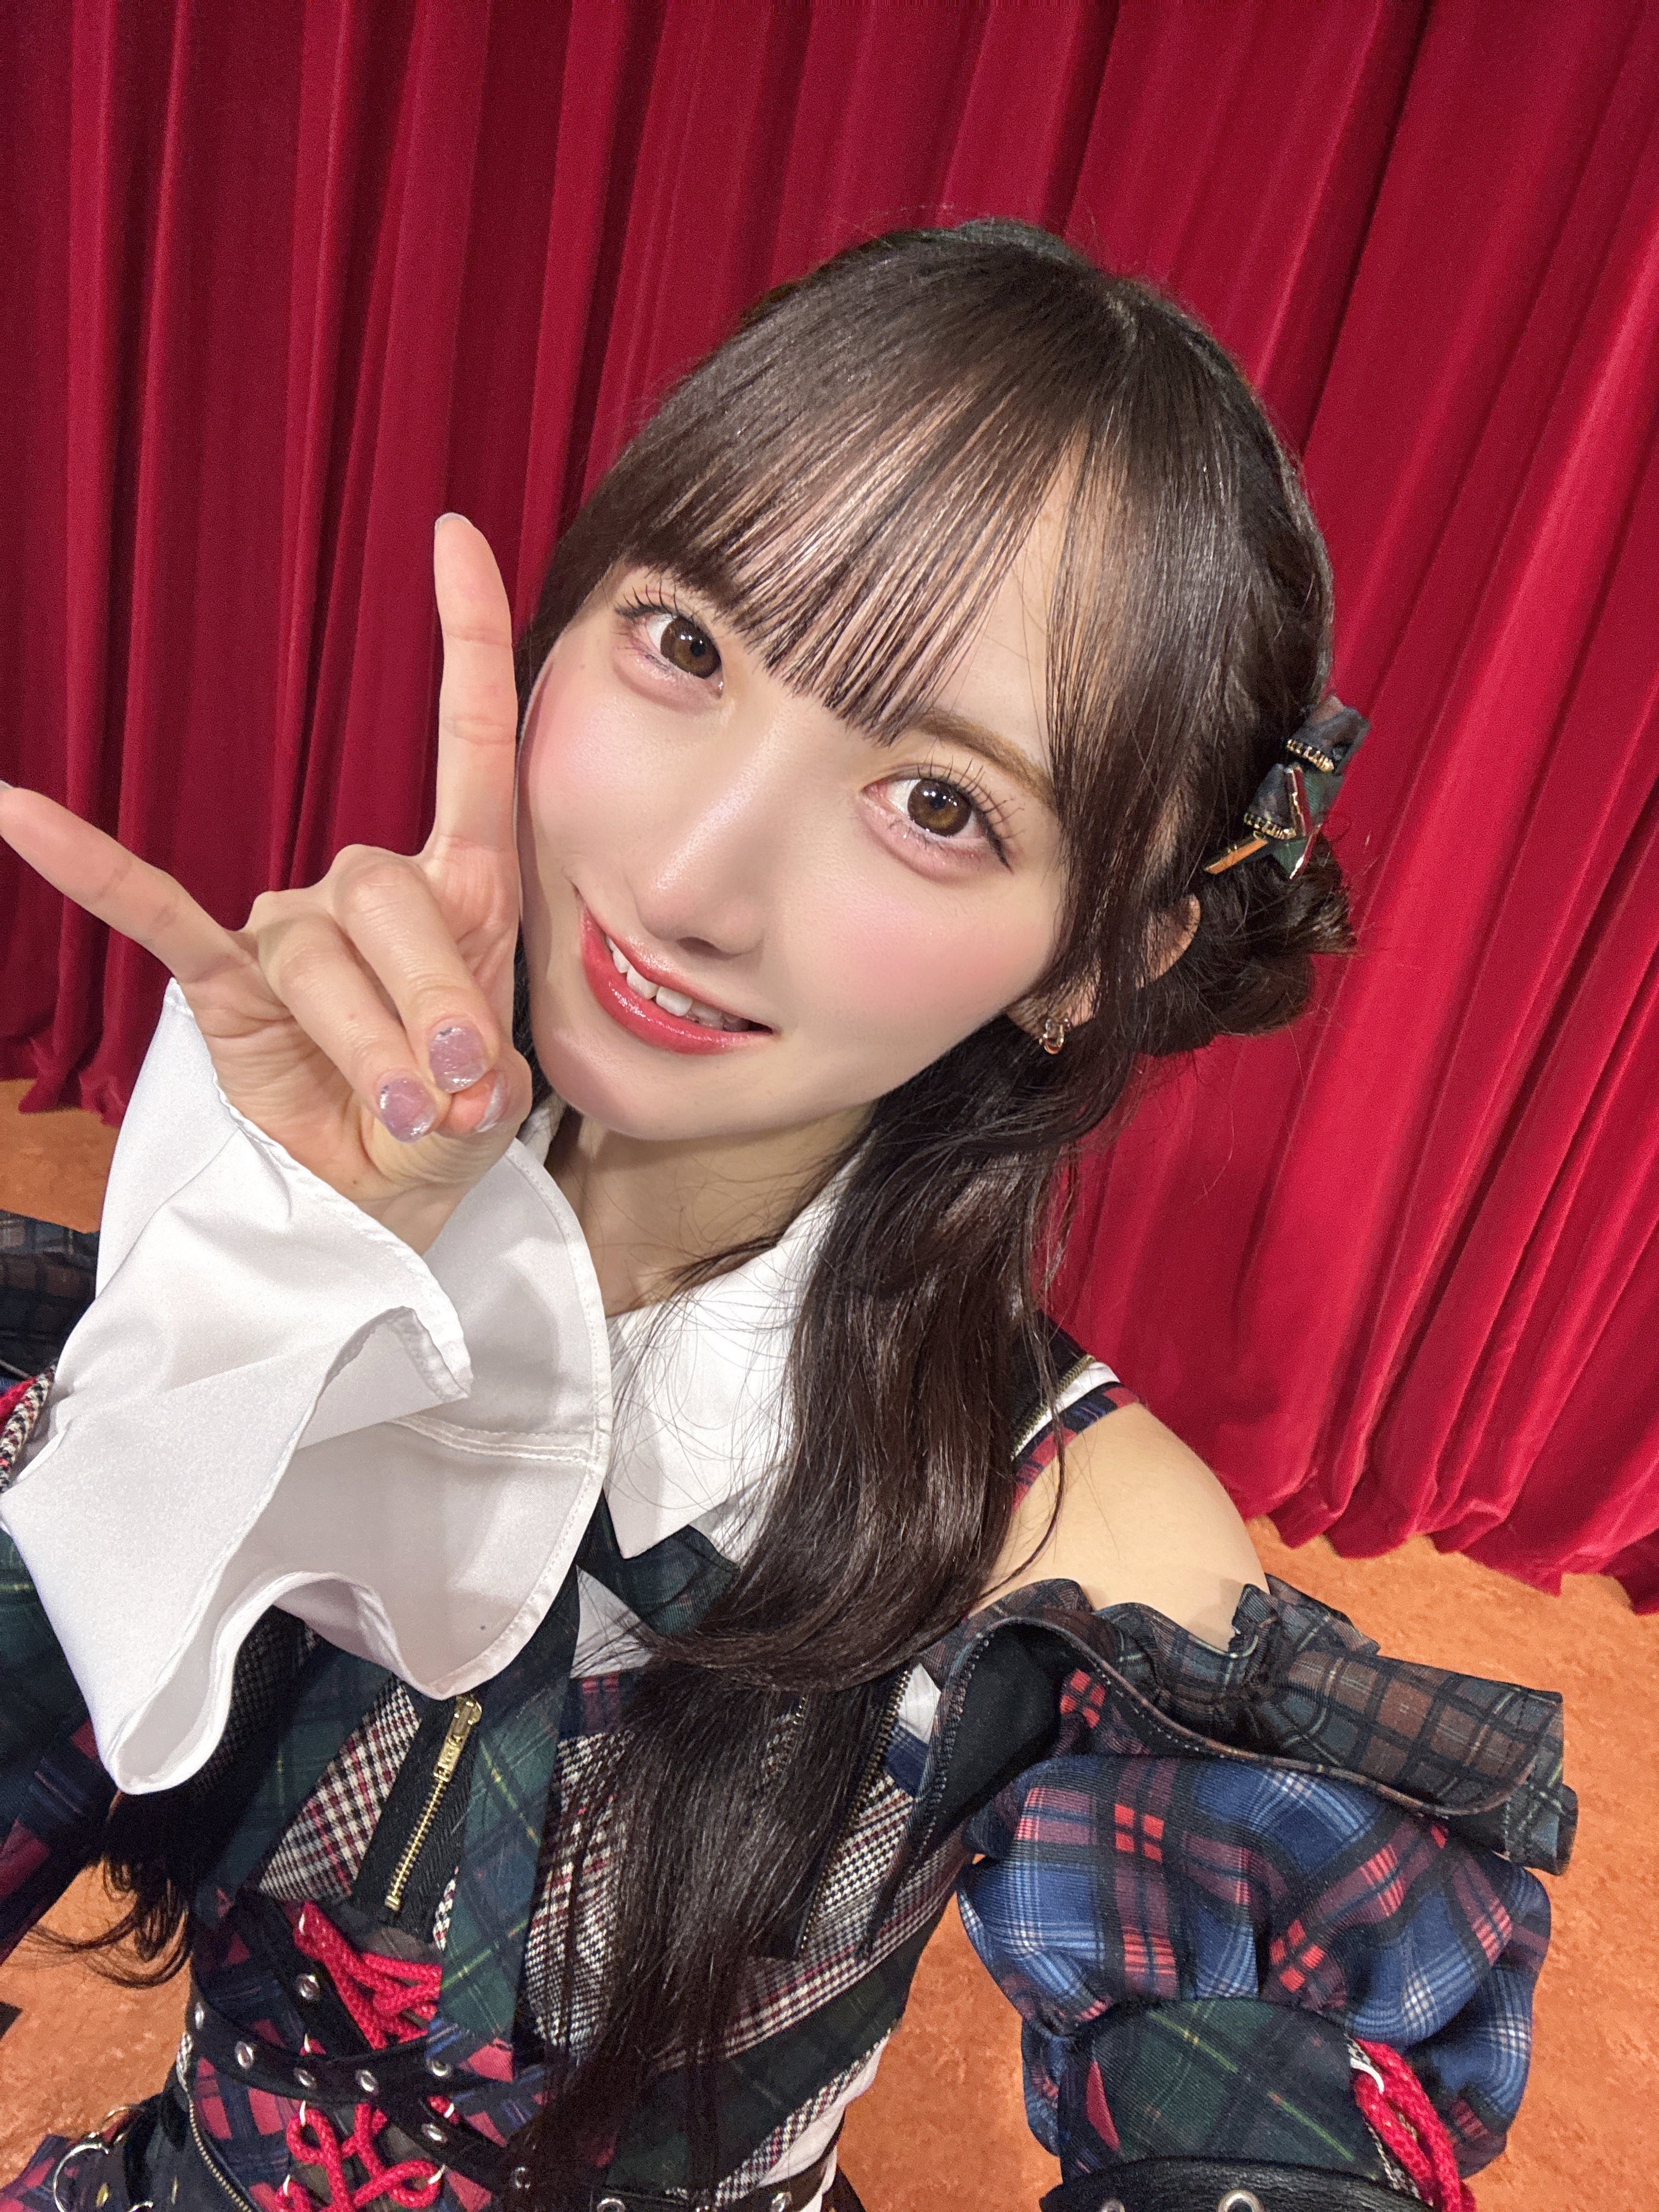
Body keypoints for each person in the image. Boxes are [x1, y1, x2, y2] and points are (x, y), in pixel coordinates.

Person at [0, 223, 1571, 2212]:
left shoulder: (1075, 1548)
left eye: (940, 803)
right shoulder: (297, 1218)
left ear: (1101, 955)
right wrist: (256, 1296)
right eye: (688, 645)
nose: (686, 882)